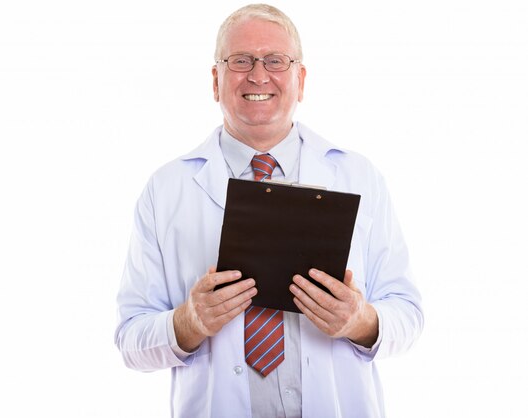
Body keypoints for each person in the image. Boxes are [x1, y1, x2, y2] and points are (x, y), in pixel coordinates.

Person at [114, 4, 423, 417]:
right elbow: (130, 339)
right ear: (215, 80)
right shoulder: (166, 189)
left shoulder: (358, 176)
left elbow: (408, 314)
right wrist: (188, 323)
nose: (258, 75)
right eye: (240, 60)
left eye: (275, 60)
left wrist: (361, 321)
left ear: (300, 78)